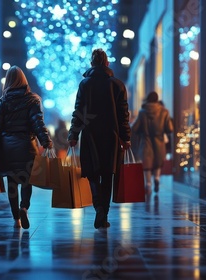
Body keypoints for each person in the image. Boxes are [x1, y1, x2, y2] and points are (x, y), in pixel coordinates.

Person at [68, 48, 131, 229]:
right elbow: (123, 115)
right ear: (107, 63)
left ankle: (98, 209)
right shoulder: (117, 85)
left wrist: (73, 134)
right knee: (108, 174)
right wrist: (126, 137)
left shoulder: (85, 85)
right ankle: (104, 214)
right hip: (111, 136)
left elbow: (79, 112)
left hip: (90, 135)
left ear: (91, 63)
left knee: (92, 174)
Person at [0, 65, 53, 229]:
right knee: (26, 181)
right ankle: (24, 207)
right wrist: (45, 140)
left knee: (12, 183)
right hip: (26, 146)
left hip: (7, 148)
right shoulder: (32, 100)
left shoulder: (2, 103)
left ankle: (16, 218)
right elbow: (37, 122)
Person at [131, 91, 174, 192]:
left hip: (146, 141)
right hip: (159, 141)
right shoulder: (164, 112)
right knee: (158, 162)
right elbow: (170, 129)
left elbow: (135, 128)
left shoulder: (142, 112)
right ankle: (157, 178)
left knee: (147, 164)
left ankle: (149, 184)